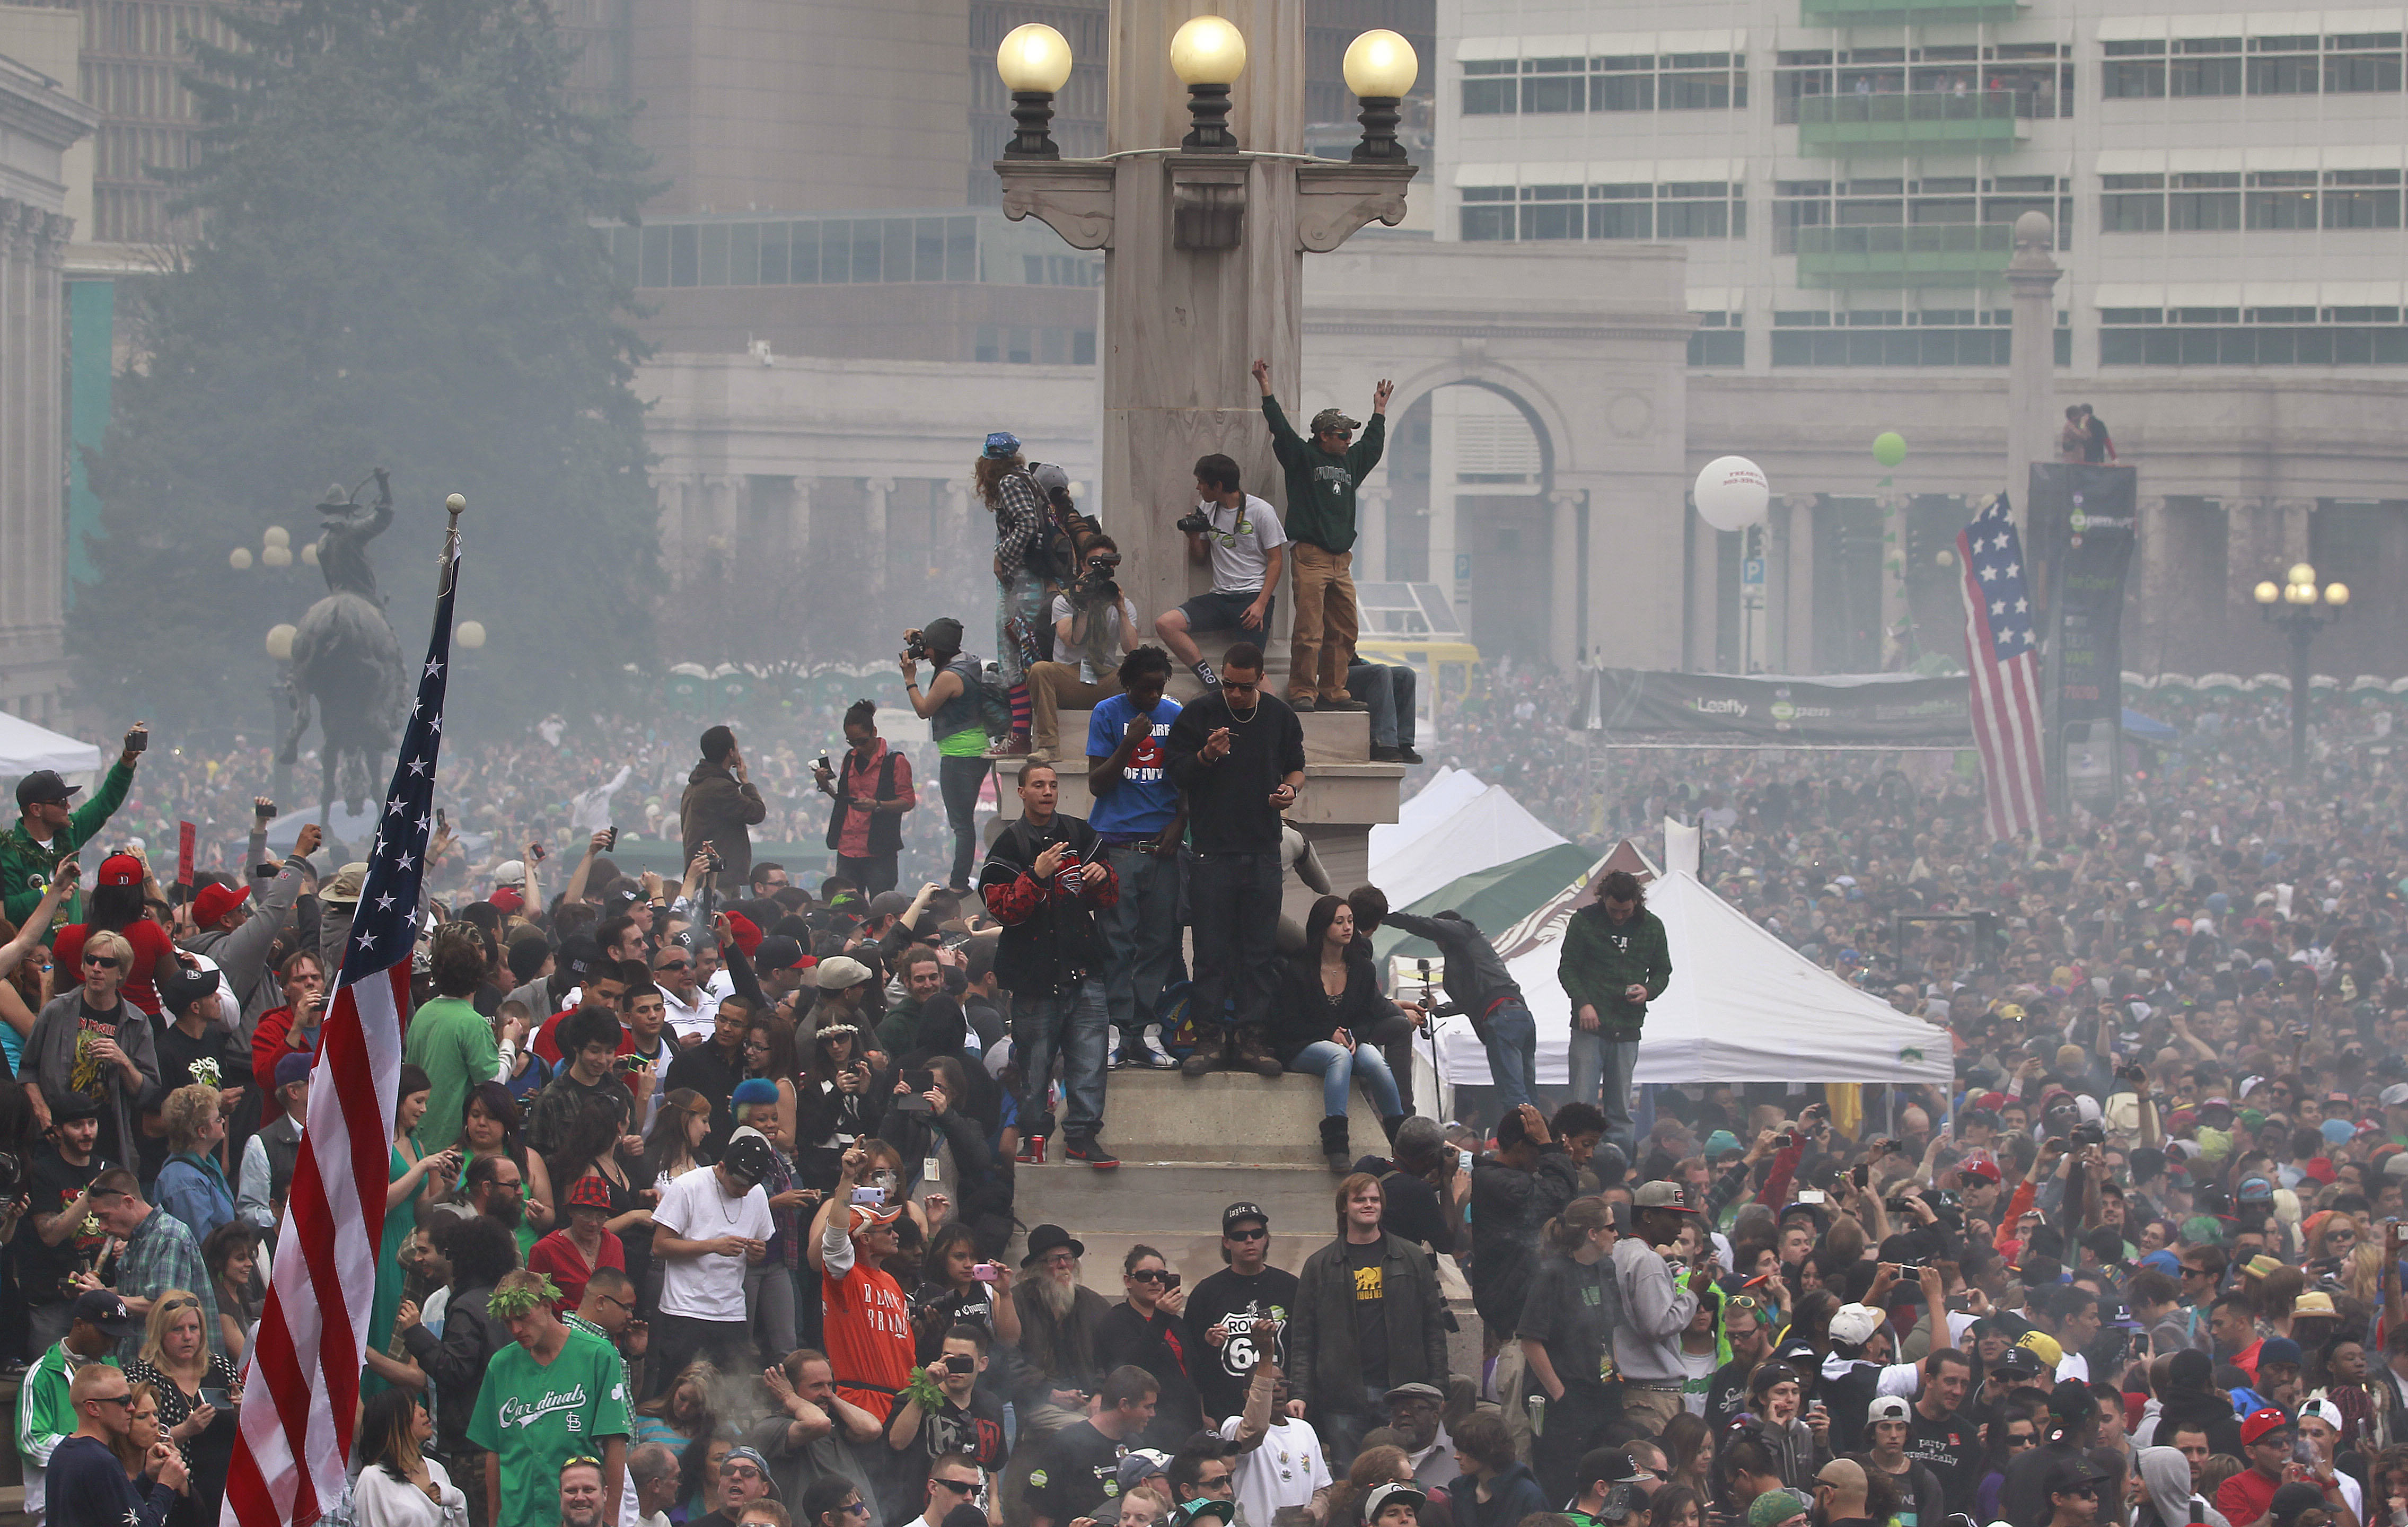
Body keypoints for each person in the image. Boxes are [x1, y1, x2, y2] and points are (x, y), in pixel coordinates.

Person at [1165, 641, 1306, 1079]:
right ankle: (1207, 1038)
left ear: (1260, 680)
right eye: (1228, 685)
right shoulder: (1200, 713)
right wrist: (1207, 755)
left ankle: (1251, 1038)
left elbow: (1297, 767)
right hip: (1211, 852)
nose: (1236, 695)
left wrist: (1290, 791)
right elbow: (1176, 773)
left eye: (1244, 688)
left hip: (1262, 850)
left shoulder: (1280, 717)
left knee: (1258, 952)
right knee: (1210, 951)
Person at [979, 760, 1120, 1169]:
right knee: (1034, 1065)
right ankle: (1034, 1138)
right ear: (1020, 792)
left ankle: (1082, 1138)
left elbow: (1107, 897)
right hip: (1034, 978)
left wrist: (1101, 876)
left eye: (1053, 785)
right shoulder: (1009, 845)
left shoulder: (1080, 833)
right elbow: (1002, 909)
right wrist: (1037, 876)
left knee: (1091, 1060)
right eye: (1038, 785)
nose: (1047, 792)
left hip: (1085, 971)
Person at [1252, 359, 1387, 712]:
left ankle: (1334, 690)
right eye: (1342, 435)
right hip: (1310, 555)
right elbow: (1281, 430)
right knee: (1310, 629)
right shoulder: (1304, 458)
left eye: (1349, 435)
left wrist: (1379, 413)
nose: (1348, 440)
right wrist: (1266, 389)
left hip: (1341, 561)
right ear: (1323, 435)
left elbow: (1371, 447)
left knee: (1345, 629)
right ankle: (1302, 691)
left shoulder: (1349, 464)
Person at [1291, 1173, 1450, 1463]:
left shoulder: (1412, 1257)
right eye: (1360, 1199)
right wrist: (1300, 1392)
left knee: (1399, 1474)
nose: (1368, 1205)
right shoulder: (1319, 1266)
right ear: (1344, 1207)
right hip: (1342, 1396)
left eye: (1374, 1199)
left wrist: (1438, 1388)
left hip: (1402, 1393)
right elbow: (1303, 1338)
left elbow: (1433, 1328)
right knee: (1348, 1479)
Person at [468, 1268, 633, 1527]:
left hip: (576, 1517)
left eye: (523, 1317)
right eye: (508, 1322)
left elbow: (615, 1442)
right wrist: (493, 1521)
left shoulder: (598, 1355)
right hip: (517, 1516)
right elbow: (495, 1452)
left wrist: (609, 1520)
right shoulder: (500, 1365)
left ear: (546, 1306)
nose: (516, 1329)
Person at [1086, 646, 1184, 1072]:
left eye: (1160, 688)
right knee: (1116, 942)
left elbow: (1187, 780)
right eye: (1146, 688)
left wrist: (1181, 823)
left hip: (1163, 848)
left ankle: (1146, 1031)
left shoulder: (1176, 716)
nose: (1153, 696)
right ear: (1128, 684)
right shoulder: (1107, 713)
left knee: (1160, 942)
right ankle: (1114, 1031)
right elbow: (1097, 784)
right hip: (1119, 846)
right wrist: (1128, 744)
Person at [1276, 894, 1410, 1169]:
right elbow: (1287, 1023)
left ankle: (1401, 1139)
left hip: (1348, 1040)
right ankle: (1336, 1142)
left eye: (1350, 921)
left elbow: (1369, 1015)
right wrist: (1330, 1033)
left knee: (1376, 1062)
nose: (1348, 927)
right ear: (1323, 927)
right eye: (1339, 922)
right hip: (1302, 1044)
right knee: (1339, 1057)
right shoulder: (1299, 970)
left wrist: (1354, 1035)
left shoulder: (1363, 969)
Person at [20, 925, 161, 1162]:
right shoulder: (56, 1011)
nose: (97, 968)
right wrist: (42, 1112)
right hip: (56, 1137)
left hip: (109, 1138)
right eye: (91, 960)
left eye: (107, 963)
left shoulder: (137, 1022)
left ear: (121, 973)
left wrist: (124, 1062)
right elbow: (27, 1070)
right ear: (83, 965)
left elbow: (148, 1092)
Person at [1557, 870, 1672, 1159]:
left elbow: (1663, 971)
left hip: (1628, 1026)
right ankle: (1573, 1158)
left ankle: (1619, 1163)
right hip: (1589, 1027)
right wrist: (1583, 1003)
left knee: (1621, 1106)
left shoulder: (1652, 927)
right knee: (1581, 1102)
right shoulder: (1585, 921)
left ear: (1636, 902)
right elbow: (1567, 968)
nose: (1619, 916)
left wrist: (1648, 990)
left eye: (1625, 911)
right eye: (1613, 910)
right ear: (1603, 899)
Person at [1516, 1197, 1623, 1505]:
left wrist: (1615, 1372)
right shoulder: (1553, 1273)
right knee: (1564, 1488)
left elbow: (1611, 1328)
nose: (1617, 1234)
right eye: (1611, 1227)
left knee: (1604, 1486)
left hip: (1601, 1391)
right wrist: (1561, 1394)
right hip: (1564, 1401)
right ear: (1592, 1233)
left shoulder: (1606, 1268)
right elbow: (1530, 1342)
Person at [1379, 906, 1536, 1110]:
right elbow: (1472, 1000)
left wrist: (1386, 917)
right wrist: (1437, 1009)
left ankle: (1525, 1137)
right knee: (1526, 1091)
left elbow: (1423, 925)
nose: (1437, 943)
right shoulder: (1471, 951)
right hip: (1518, 1013)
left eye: (1438, 936)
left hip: (1501, 1016)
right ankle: (1539, 1137)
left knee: (1513, 1092)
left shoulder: (1465, 931)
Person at [1155, 453, 1286, 694]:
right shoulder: (1207, 508)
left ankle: (1275, 714)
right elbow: (1200, 557)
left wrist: (1261, 604)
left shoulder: (1261, 511)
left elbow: (1277, 560)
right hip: (1219, 597)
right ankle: (1211, 684)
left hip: (1251, 599)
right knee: (1166, 623)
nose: (1197, 487)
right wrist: (1193, 536)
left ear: (1217, 486)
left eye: (1202, 483)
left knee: (1251, 670)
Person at [653, 1132, 776, 1385]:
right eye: (738, 1185)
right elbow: (660, 1246)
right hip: (686, 1310)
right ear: (721, 1167)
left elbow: (759, 1250)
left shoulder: (757, 1194)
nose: (744, 1192)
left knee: (726, 1396)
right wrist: (711, 1246)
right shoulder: (689, 1186)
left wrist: (757, 1254)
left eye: (749, 1187)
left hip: (731, 1313)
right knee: (678, 1390)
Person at [812, 1145, 915, 1422]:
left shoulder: (892, 1283)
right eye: (887, 1229)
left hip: (902, 1406)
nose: (896, 1235)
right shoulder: (844, 1278)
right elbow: (833, 1241)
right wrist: (847, 1180)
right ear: (865, 1239)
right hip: (861, 1402)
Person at [14, 1288, 133, 1526]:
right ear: (79, 1325)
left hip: (106, 1496)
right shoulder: (42, 1374)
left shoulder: (110, 1365)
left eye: (116, 1337)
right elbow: (31, 1441)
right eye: (105, 1334)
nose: (111, 1344)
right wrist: (85, 1455)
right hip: (56, 1505)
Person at [1466, 1104, 1577, 1357]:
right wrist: (1552, 1150)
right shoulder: (1500, 1182)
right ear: (1519, 1146)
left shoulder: (1511, 1179)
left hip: (1521, 1309)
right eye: (1537, 1150)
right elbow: (1559, 1197)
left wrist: (1555, 1154)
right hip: (1512, 1314)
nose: (1540, 1159)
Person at [0, 733, 141, 927]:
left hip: (72, 951)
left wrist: (127, 760)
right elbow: (8, 910)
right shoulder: (9, 851)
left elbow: (105, 802)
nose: (68, 807)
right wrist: (49, 892)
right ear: (36, 809)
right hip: (35, 955)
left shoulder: (71, 832)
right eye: (61, 802)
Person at [897, 615, 992, 892]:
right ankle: (959, 880)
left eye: (927, 649)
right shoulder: (966, 662)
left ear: (939, 650)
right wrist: (920, 638)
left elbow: (924, 710)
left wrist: (909, 679)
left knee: (961, 825)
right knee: (964, 823)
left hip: (959, 754)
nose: (924, 654)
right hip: (975, 748)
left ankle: (959, 884)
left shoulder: (949, 677)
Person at [1186, 1200, 1302, 1425]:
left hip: (1281, 1412)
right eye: (1240, 1236)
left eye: (1257, 1233)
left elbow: (1305, 1350)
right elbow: (1191, 1360)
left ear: (1266, 1238)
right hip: (1226, 1415)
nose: (1249, 1240)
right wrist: (1201, 1413)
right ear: (1226, 1242)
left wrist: (1299, 1397)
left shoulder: (1291, 1288)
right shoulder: (1206, 1293)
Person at [89, 1168, 222, 1358]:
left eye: (105, 1217)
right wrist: (93, 1292)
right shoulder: (136, 1238)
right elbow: (134, 1293)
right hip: (139, 1363)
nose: (102, 1227)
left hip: (175, 1370)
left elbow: (164, 1306)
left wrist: (104, 1298)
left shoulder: (169, 1236)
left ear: (128, 1202)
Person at [1029, 533, 1138, 764]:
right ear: (1082, 565)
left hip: (1106, 679)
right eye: (1093, 564)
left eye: (1105, 564)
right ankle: (1049, 747)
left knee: (1140, 671)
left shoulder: (1122, 604)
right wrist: (1084, 606)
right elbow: (1071, 640)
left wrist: (1120, 609)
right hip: (1071, 677)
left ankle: (1132, 746)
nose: (1098, 570)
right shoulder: (1064, 601)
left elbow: (1131, 648)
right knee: (1040, 670)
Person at [976, 431, 1051, 757]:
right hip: (1031, 582)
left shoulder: (1009, 482)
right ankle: (1025, 732)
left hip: (1019, 583)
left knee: (1013, 660)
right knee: (1029, 657)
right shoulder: (1028, 480)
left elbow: (1027, 524)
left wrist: (1001, 555)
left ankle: (1019, 735)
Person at [42, 1360, 185, 1527]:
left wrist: (147, 1478)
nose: (131, 1408)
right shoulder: (101, 1462)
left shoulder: (63, 1453)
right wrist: (166, 1486)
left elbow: (113, 1510)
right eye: (123, 1401)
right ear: (93, 1408)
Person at [407, 924, 506, 1155]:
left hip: (417, 1141)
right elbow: (492, 1082)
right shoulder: (472, 1023)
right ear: (478, 976)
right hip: (451, 1145)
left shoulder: (423, 1013)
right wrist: (508, 1043)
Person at [1026, 1364, 1159, 1527]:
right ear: (1124, 1405)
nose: (1153, 1414)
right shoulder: (1065, 1443)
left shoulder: (1136, 1446)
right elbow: (1040, 1515)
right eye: (1148, 1407)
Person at [1099, 1246, 1203, 1449]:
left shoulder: (1176, 1322)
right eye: (1146, 1276)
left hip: (1187, 1425)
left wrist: (1210, 1344)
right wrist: (1160, 1318)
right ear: (1128, 1282)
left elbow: (1192, 1373)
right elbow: (1130, 1367)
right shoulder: (1117, 1320)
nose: (1155, 1281)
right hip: (1151, 1429)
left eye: (1161, 1276)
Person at [815, 700, 916, 897]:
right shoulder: (850, 758)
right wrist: (825, 785)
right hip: (847, 847)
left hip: (878, 850)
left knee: (881, 904)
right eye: (851, 742)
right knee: (846, 904)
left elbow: (908, 801)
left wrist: (877, 805)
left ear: (874, 732)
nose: (858, 747)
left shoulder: (895, 761)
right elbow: (844, 798)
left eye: (862, 741)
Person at [351, 1388, 467, 1527]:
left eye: (419, 1405)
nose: (423, 1411)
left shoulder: (436, 1468)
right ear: (394, 1422)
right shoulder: (372, 1479)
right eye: (414, 1408)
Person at [531, 1172, 629, 1315]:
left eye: (601, 1216)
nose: (593, 1223)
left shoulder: (614, 1244)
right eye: (586, 1214)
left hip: (609, 1333)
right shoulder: (546, 1249)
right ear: (571, 1212)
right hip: (566, 1334)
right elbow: (535, 1305)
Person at [682, 724, 768, 888]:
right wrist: (746, 783)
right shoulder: (720, 788)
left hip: (701, 874)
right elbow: (757, 813)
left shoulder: (695, 785)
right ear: (730, 752)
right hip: (719, 878)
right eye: (736, 746)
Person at [151, 1085, 236, 1249]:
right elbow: (202, 1246)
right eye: (218, 1119)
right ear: (202, 1131)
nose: (224, 1120)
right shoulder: (185, 1182)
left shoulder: (208, 1162)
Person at [1444, 1411, 1544, 1527]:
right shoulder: (1461, 1490)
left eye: (1465, 1450)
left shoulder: (1528, 1496)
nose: (1456, 1456)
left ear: (1485, 1451)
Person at [1346, 660, 1422, 765]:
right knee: (1381, 671)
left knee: (1406, 674)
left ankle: (1403, 744)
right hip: (1332, 676)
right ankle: (1382, 744)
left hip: (1349, 666)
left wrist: (1362, 663)